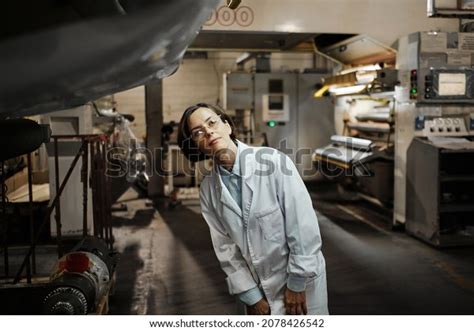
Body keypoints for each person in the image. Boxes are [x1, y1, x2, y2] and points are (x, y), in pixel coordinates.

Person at [178, 103, 328, 315]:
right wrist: (251, 295)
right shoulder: (208, 190)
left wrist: (296, 283)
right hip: (256, 292)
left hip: (301, 285)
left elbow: (303, 227)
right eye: (198, 132)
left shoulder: (274, 162)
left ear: (227, 125)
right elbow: (225, 248)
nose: (209, 131)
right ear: (196, 145)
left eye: (212, 122)